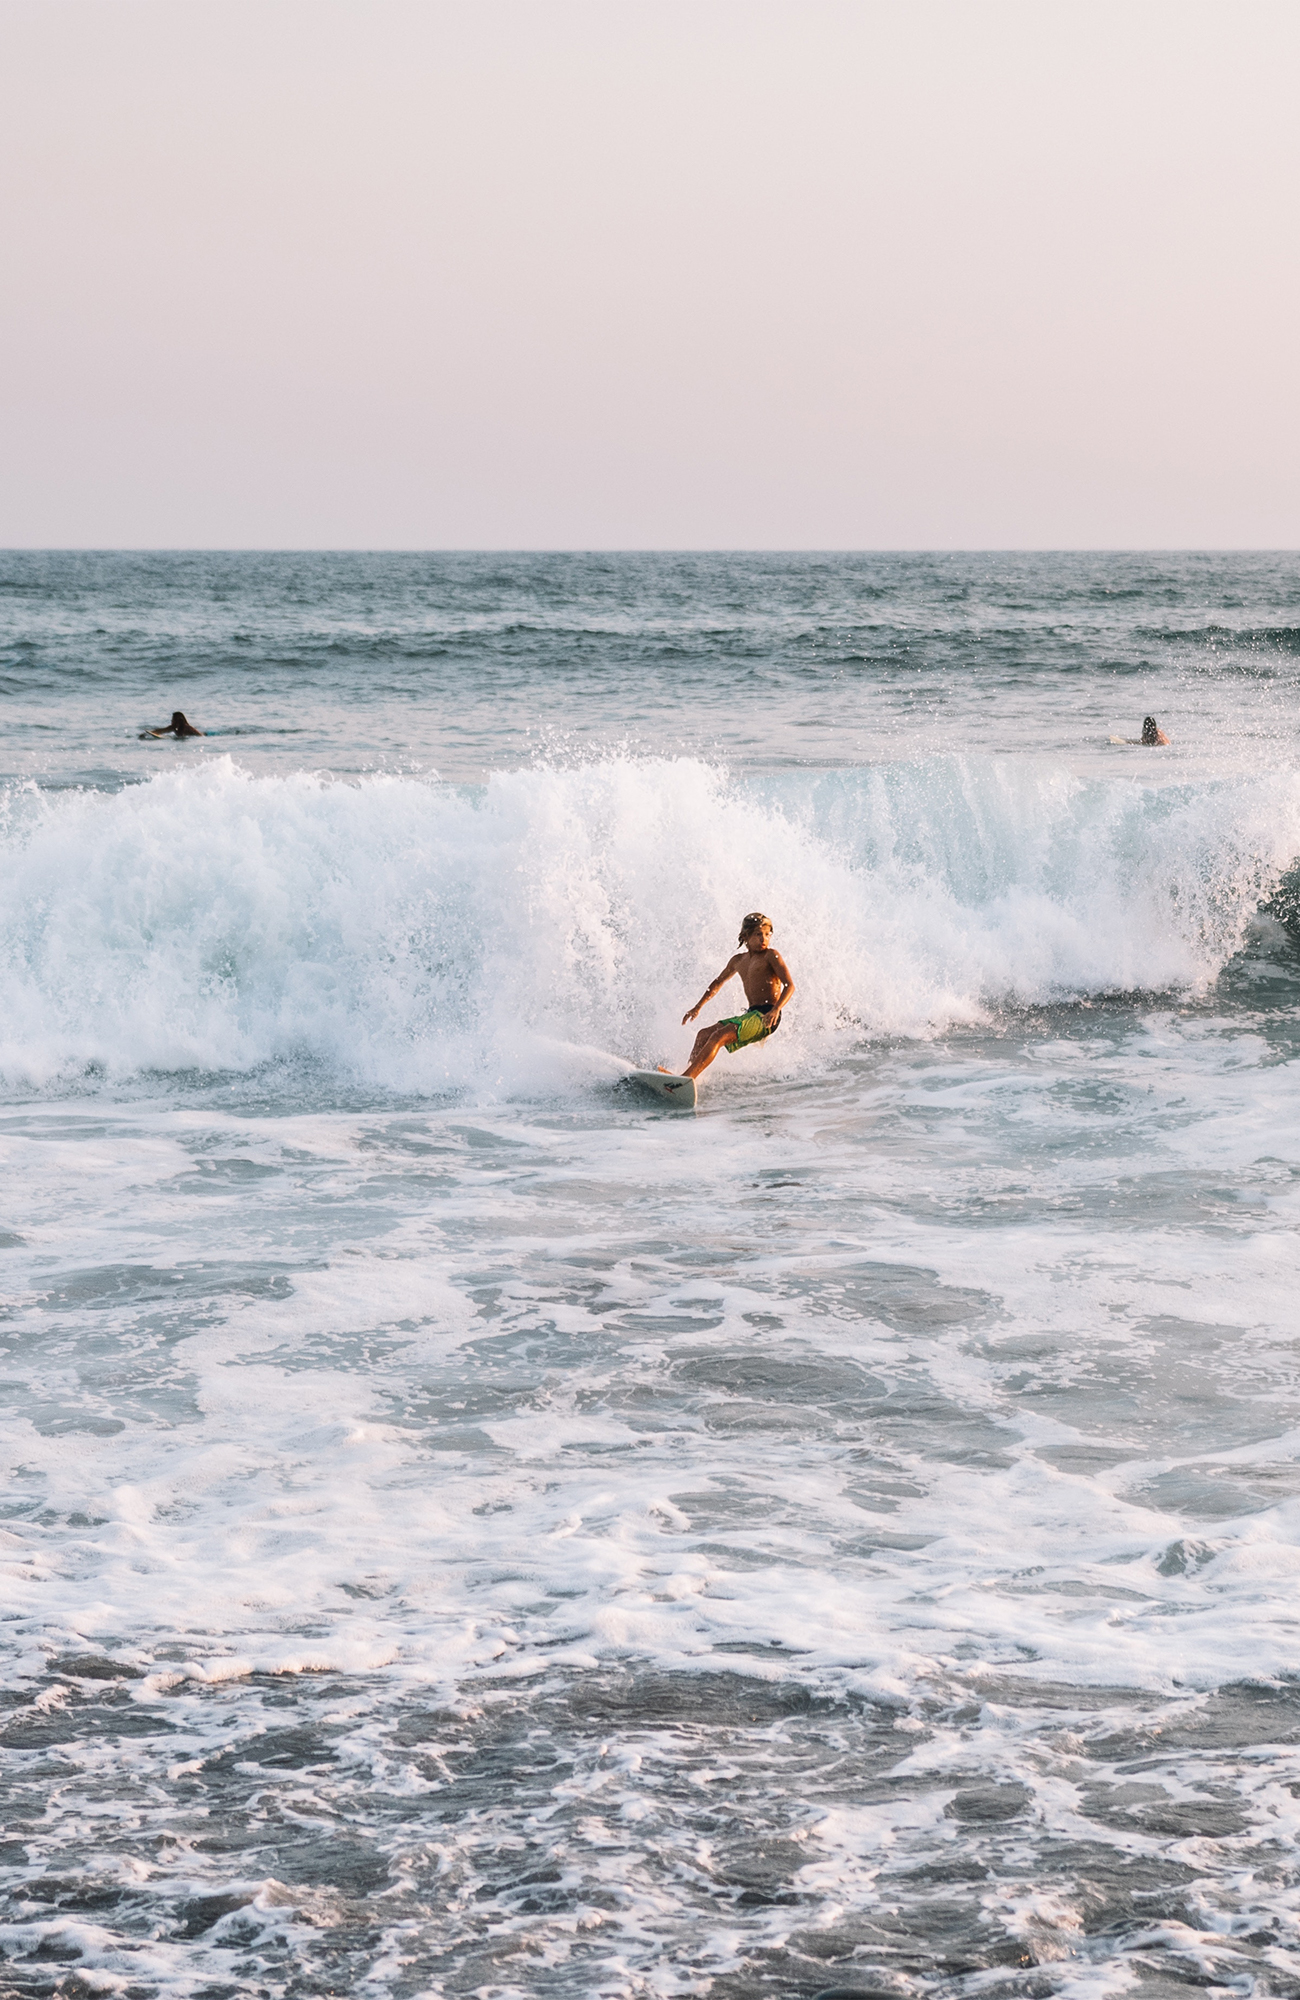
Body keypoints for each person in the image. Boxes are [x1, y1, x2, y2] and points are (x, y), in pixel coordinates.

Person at [675, 912, 795, 1080]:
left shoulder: (770, 956)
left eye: (767, 934)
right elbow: (717, 983)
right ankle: (685, 1076)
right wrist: (698, 1006)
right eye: (758, 934)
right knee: (703, 1034)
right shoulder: (738, 960)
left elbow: (790, 986)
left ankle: (686, 1079)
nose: (764, 939)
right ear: (746, 936)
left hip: (767, 1016)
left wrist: (776, 1010)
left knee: (718, 1036)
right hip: (752, 1014)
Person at [140, 711, 206, 740]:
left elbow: (200, 736)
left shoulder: (187, 728)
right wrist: (147, 734)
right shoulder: (173, 727)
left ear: (179, 721)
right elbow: (161, 731)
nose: (171, 721)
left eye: (173, 720)